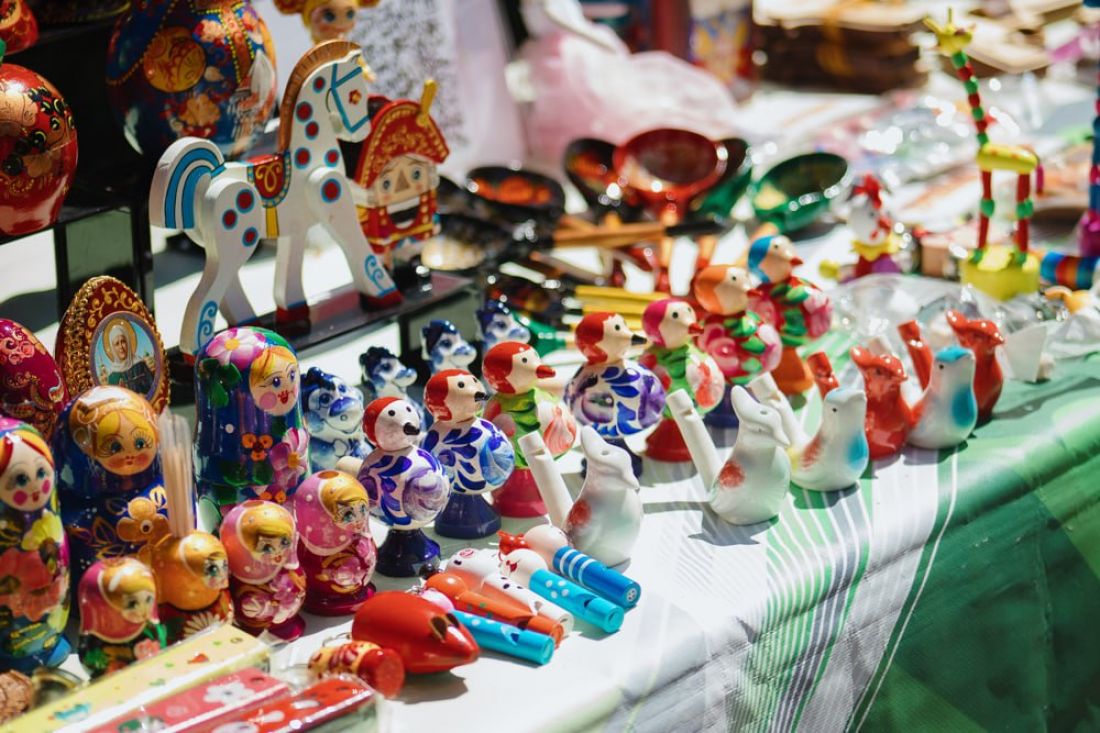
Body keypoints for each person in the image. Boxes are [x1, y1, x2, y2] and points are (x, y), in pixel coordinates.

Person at [98, 318, 156, 398]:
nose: (121, 347)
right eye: (117, 344)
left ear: (128, 342)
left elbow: (154, 389)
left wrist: (144, 396)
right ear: (113, 348)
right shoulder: (112, 377)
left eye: (123, 341)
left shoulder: (141, 365)